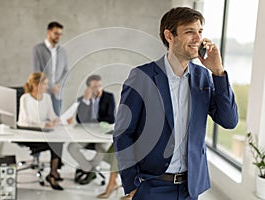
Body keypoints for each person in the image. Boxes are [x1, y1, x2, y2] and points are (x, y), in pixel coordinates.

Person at [113, 7, 238, 200]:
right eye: (189, 32)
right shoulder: (142, 77)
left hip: (190, 188)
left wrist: (218, 72)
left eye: (200, 32)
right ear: (169, 36)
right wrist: (131, 184)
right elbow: (124, 133)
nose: (198, 38)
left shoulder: (203, 77)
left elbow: (229, 121)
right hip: (152, 186)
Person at [17, 72, 64, 190]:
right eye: (44, 84)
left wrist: (58, 120)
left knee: (59, 141)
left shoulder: (47, 98)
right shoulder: (25, 98)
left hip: (42, 132)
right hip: (27, 133)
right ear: (35, 84)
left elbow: (51, 115)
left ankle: (53, 173)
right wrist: (45, 124)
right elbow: (27, 121)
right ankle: (54, 174)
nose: (47, 87)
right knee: (55, 143)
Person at [68, 75, 116, 185]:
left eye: (99, 86)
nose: (98, 89)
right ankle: (90, 170)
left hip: (101, 135)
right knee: (71, 147)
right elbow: (80, 120)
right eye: (94, 86)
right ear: (88, 88)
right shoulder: (82, 99)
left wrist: (92, 121)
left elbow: (111, 118)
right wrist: (86, 101)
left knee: (102, 150)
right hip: (86, 135)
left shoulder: (109, 97)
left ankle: (87, 170)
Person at [32, 21, 68, 116]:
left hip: (57, 93)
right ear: (49, 32)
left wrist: (58, 85)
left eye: (60, 34)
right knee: (42, 120)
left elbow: (66, 71)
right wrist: (50, 86)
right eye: (56, 33)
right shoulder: (38, 49)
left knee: (56, 120)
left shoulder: (62, 51)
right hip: (43, 92)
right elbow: (36, 71)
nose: (58, 36)